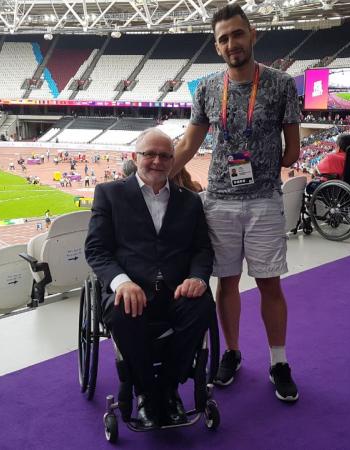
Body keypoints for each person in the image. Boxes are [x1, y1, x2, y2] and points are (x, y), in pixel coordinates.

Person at [171, 4, 301, 402]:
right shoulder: (207, 88)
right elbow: (190, 143)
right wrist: (156, 173)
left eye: (237, 34)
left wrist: (262, 164)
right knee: (225, 283)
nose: (232, 43)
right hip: (220, 203)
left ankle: (278, 361)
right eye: (224, 38)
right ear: (217, 46)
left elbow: (292, 152)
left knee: (269, 285)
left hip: (263, 200)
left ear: (252, 35)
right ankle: (231, 352)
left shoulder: (281, 84)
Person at [84, 128, 214, 428]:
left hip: (176, 290)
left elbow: (202, 250)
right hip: (130, 288)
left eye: (165, 155)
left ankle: (168, 390)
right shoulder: (110, 194)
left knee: (202, 306)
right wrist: (122, 282)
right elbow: (96, 250)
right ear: (135, 157)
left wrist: (197, 278)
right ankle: (145, 392)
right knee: (122, 311)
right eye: (149, 154)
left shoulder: (190, 201)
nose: (158, 161)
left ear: (173, 160)